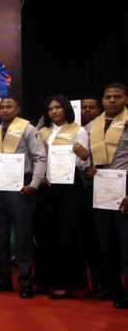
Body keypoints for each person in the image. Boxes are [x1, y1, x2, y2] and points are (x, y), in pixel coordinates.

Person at [0, 97, 47, 299]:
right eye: (1, 107)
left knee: (23, 234)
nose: (4, 110)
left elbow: (40, 157)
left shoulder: (28, 129)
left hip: (21, 186)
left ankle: (26, 282)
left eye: (9, 106)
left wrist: (34, 184)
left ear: (18, 109)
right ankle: (3, 279)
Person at [35, 95, 90, 299]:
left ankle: (64, 282)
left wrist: (83, 155)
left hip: (68, 188)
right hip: (46, 186)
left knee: (66, 232)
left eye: (58, 107)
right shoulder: (42, 132)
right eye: (51, 109)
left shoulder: (78, 130)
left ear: (66, 109)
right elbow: (37, 158)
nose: (54, 111)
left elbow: (84, 162)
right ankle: (45, 280)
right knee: (45, 232)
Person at [84, 82, 128, 309]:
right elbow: (85, 157)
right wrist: (87, 169)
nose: (111, 100)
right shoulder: (93, 125)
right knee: (106, 242)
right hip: (100, 190)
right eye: (107, 96)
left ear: (126, 99)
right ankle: (112, 287)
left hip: (124, 191)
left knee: (125, 243)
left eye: (116, 96)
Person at [79, 95, 105, 294]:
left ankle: (105, 281)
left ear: (99, 109)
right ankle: (96, 280)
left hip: (104, 189)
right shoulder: (75, 129)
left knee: (101, 237)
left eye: (91, 107)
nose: (87, 110)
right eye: (84, 107)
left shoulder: (103, 128)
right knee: (87, 238)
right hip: (81, 190)